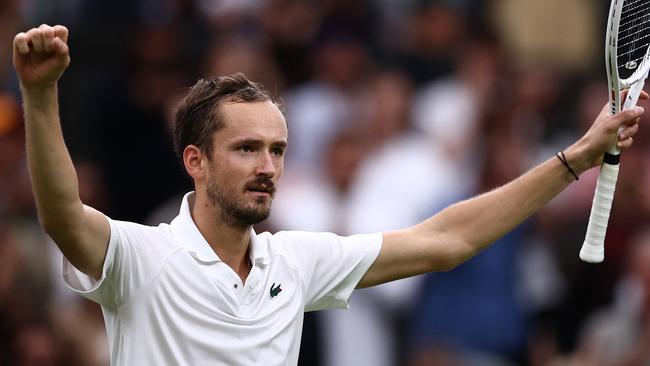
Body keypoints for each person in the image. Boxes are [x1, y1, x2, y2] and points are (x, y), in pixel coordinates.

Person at [13, 24, 645, 366]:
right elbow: (62, 215)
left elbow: (446, 240)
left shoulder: (294, 261)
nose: (267, 166)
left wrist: (575, 159)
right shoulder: (140, 257)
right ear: (195, 162)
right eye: (246, 149)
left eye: (278, 150)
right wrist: (41, 95)